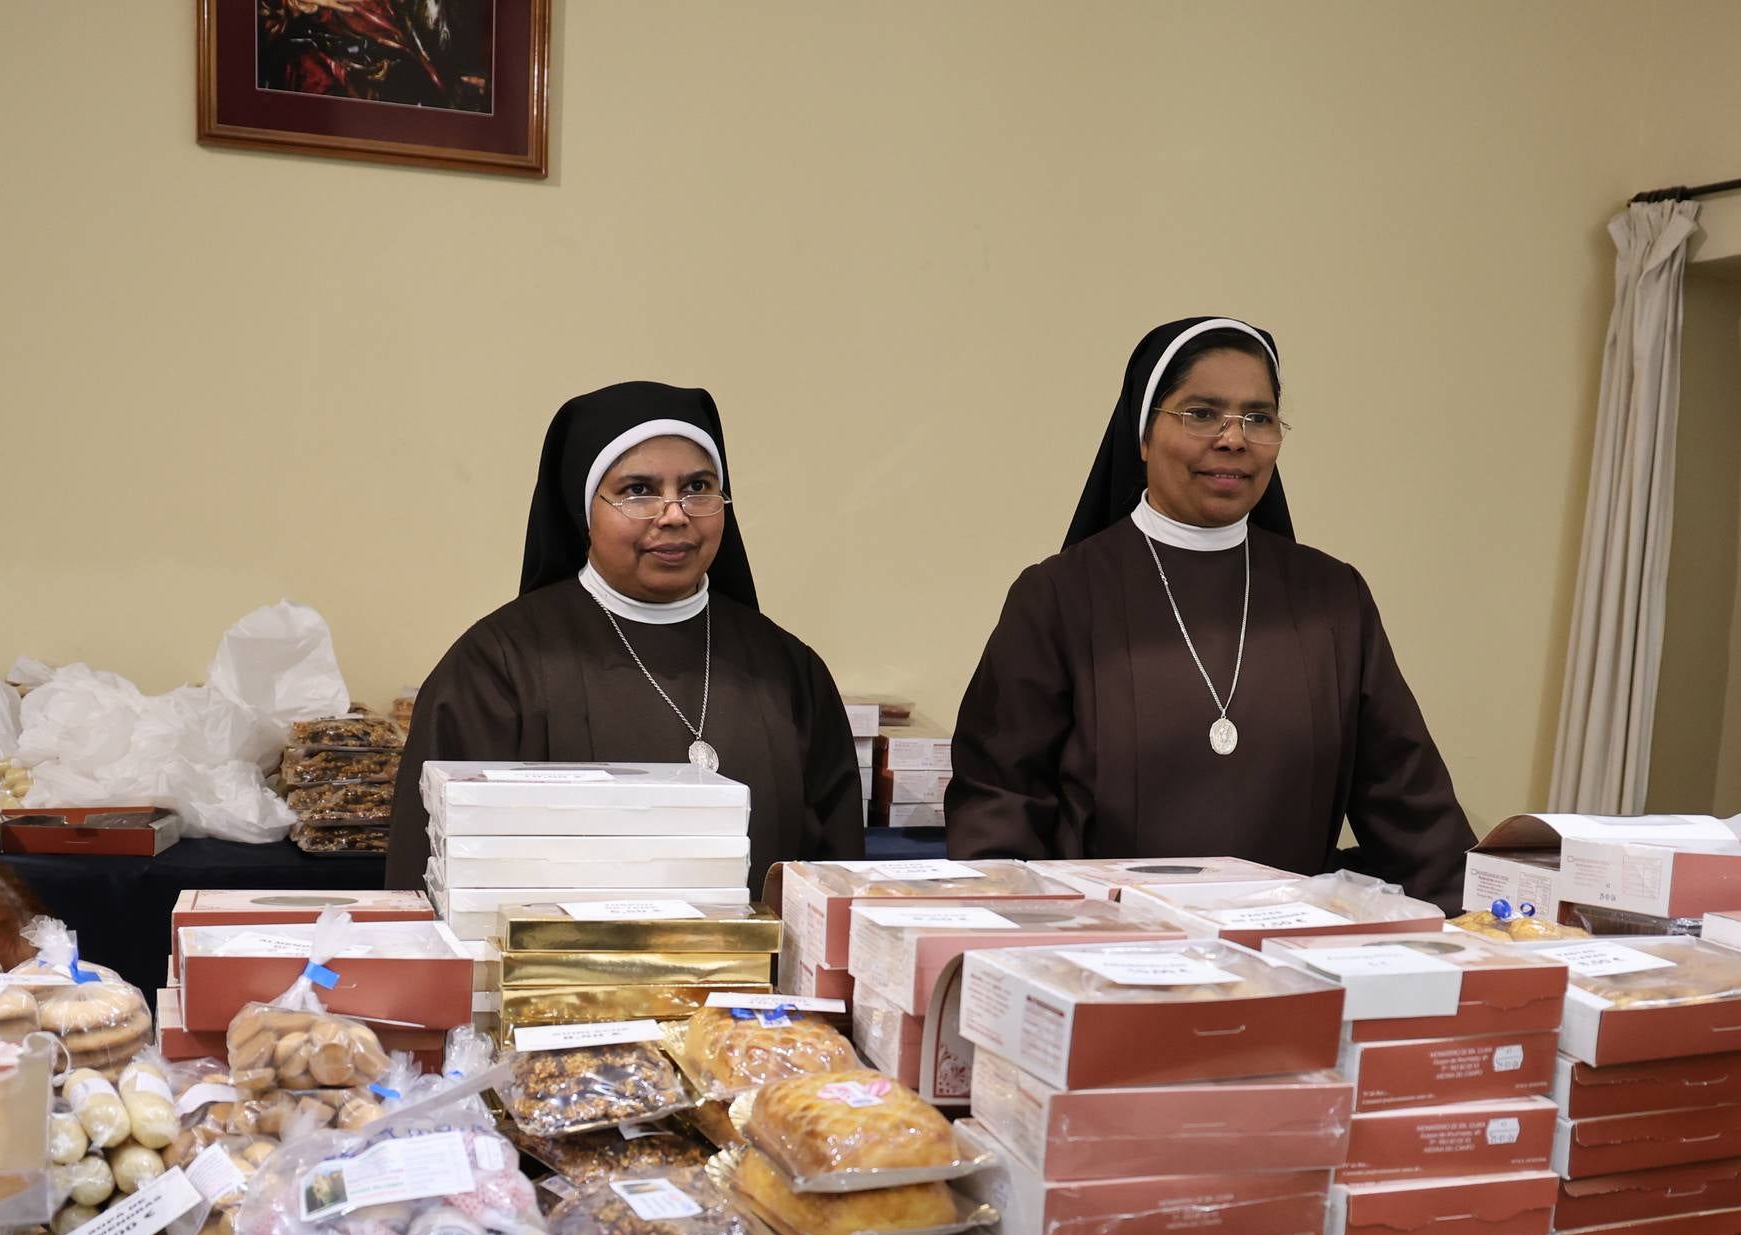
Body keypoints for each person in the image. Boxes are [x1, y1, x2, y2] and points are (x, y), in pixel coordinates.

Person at [944, 317, 1474, 905]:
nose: (1233, 438)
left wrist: (1493, 929)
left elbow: (1408, 802)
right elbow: (999, 809)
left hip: (1290, 963)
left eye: (1259, 417)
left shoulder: (1332, 599)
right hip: (1105, 964)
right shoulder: (1060, 596)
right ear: (1142, 436)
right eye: (1201, 413)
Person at [385, 380, 864, 892]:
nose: (675, 514)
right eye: (639, 491)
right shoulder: (499, 665)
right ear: (583, 511)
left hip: (753, 972)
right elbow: (430, 877)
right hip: (551, 971)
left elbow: (836, 877)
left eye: (698, 488)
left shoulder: (787, 668)